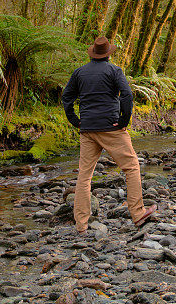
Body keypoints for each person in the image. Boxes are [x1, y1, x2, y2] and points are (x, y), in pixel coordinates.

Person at [62, 35, 157, 234]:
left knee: (84, 176)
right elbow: (127, 95)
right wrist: (124, 120)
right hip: (111, 128)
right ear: (108, 54)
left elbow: (66, 98)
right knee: (131, 167)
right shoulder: (114, 71)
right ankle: (138, 214)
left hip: (87, 129)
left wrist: (75, 120)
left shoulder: (79, 73)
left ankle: (81, 225)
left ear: (93, 54)